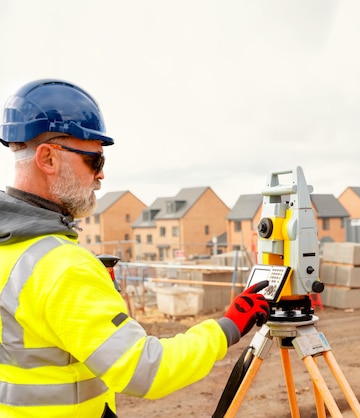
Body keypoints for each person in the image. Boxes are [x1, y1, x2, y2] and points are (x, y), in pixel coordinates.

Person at [0, 79, 270, 417]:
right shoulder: (61, 266)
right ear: (48, 158)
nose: (101, 177)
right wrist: (229, 326)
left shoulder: (12, 250)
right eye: (94, 161)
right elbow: (148, 370)